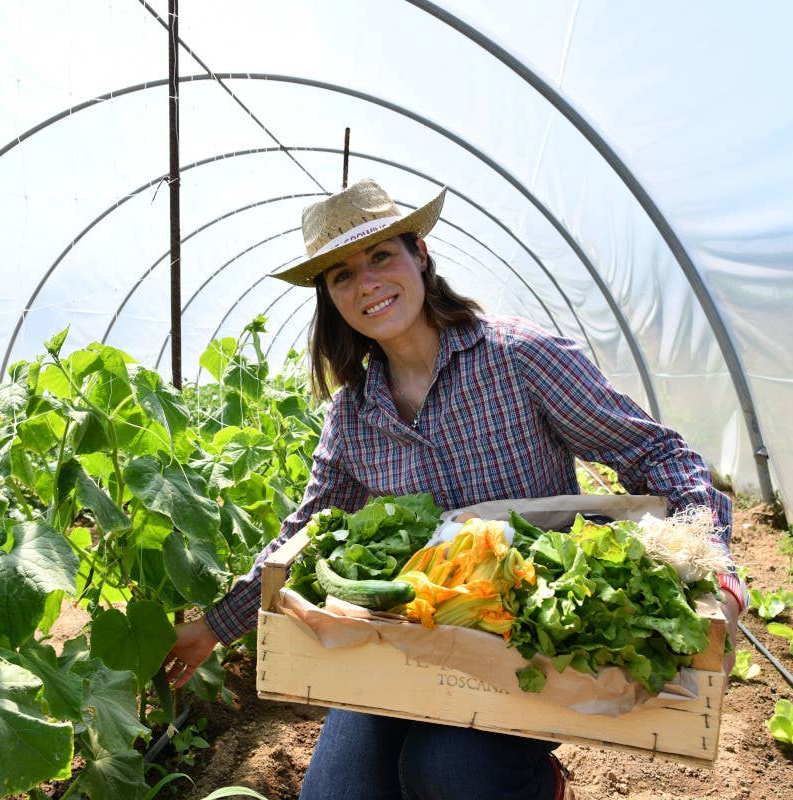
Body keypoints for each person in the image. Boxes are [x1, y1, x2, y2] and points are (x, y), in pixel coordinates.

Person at [164, 178, 745, 800]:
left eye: (381, 256)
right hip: (406, 636)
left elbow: (651, 450)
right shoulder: (355, 417)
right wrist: (213, 628)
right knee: (338, 794)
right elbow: (305, 529)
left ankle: (543, 786)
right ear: (329, 298)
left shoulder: (517, 358)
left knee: (448, 771)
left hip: (523, 642)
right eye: (340, 275)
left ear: (420, 254)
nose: (366, 284)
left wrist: (711, 566)